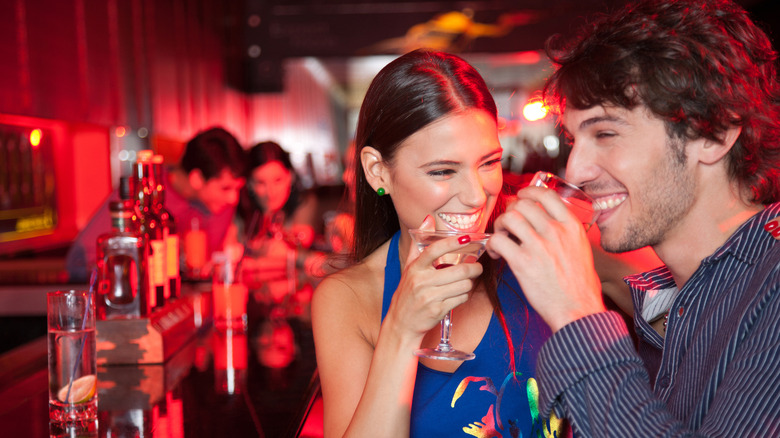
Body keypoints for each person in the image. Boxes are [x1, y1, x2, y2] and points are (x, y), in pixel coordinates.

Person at [487, 0, 780, 436]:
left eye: (606, 133)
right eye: (573, 139)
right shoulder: (672, 304)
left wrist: (575, 312)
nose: (576, 171)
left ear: (714, 135)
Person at [312, 49, 567, 438]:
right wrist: (401, 329)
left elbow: (676, 296)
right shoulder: (347, 298)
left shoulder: (538, 241)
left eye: (489, 163)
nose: (477, 196)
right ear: (378, 170)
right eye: (443, 170)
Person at [65, 126, 246, 282]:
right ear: (197, 178)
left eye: (237, 189)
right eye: (225, 188)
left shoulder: (219, 205)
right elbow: (79, 263)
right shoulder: (141, 192)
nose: (233, 198)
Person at [238, 141, 325, 295]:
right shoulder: (241, 210)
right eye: (260, 183)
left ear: (289, 177)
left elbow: (285, 252)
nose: (270, 192)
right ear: (250, 184)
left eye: (277, 180)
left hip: (300, 295)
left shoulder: (305, 203)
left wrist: (254, 262)